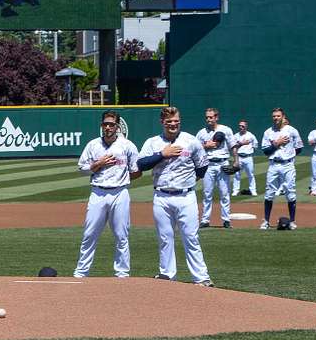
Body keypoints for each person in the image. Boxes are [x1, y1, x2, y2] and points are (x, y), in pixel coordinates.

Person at [137, 106, 214, 286]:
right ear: (162, 122)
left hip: (186, 196)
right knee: (165, 237)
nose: (173, 124)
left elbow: (202, 165)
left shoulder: (191, 141)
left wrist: (193, 179)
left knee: (191, 237)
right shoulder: (153, 142)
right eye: (169, 121)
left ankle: (201, 277)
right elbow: (141, 164)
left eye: (176, 121)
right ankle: (167, 274)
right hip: (162, 196)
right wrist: (162, 155)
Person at [73, 111, 141, 278]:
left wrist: (122, 179)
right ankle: (81, 272)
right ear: (101, 126)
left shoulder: (127, 145)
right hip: (98, 192)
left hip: (120, 192)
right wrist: (98, 164)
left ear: (117, 126)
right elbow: (81, 168)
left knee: (121, 235)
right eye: (105, 124)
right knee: (89, 234)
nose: (108, 127)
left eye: (111, 124)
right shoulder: (93, 145)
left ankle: (122, 272)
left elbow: (136, 171)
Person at [260, 108, 303, 229]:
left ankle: (293, 221)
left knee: (290, 193)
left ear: (283, 116)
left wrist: (289, 155)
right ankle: (266, 221)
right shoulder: (268, 132)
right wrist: (276, 143)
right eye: (274, 116)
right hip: (273, 165)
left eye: (278, 116)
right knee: (269, 193)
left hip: (287, 165)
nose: (276, 118)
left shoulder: (292, 131)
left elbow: (299, 147)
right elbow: (265, 151)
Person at [195, 107, 237, 228]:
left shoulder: (226, 130)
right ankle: (205, 220)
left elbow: (233, 145)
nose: (208, 119)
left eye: (211, 117)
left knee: (224, 193)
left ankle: (226, 219)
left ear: (216, 117)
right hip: (208, 165)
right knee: (207, 193)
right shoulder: (201, 133)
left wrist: (236, 162)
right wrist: (205, 145)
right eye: (207, 117)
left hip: (223, 163)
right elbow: (195, 149)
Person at [231, 120, 258, 197]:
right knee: (237, 175)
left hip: (248, 157)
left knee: (250, 174)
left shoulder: (251, 135)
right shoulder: (236, 136)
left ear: (246, 126)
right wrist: (241, 143)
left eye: (242, 126)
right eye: (240, 126)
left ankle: (253, 190)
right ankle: (235, 191)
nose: (241, 127)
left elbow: (255, 145)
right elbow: (233, 146)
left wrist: (249, 150)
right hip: (239, 157)